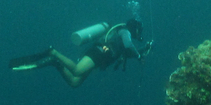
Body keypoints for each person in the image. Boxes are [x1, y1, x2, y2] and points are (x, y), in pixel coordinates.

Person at [10, 19, 152, 88]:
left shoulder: (122, 37)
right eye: (139, 31)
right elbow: (129, 45)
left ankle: (55, 62)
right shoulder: (125, 31)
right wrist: (139, 56)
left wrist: (143, 50)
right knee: (77, 70)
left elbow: (128, 52)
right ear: (135, 28)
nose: (138, 34)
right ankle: (53, 52)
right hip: (98, 53)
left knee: (75, 82)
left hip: (100, 58)